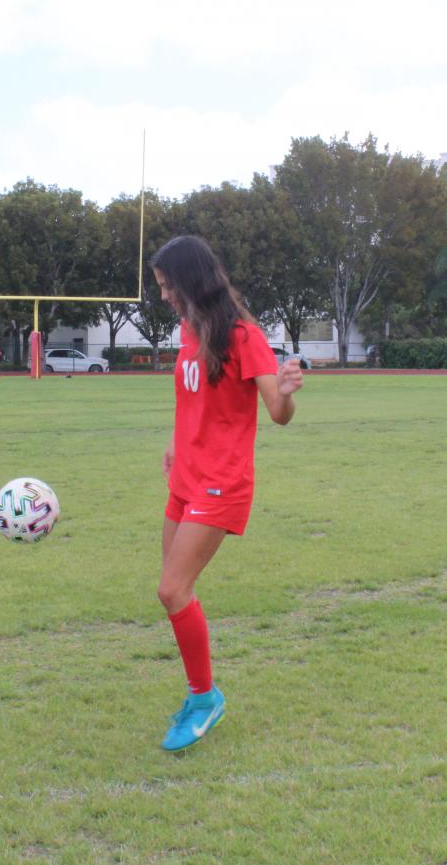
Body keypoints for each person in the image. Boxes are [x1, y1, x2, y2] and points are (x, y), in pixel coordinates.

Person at [150, 235, 303, 751]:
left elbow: (277, 415)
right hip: (186, 478)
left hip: (221, 483)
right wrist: (176, 443)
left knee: (173, 589)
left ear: (191, 280)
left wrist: (283, 395)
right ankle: (199, 693)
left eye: (169, 285)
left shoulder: (244, 336)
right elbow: (192, 399)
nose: (166, 295)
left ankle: (204, 697)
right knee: (172, 592)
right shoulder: (188, 331)